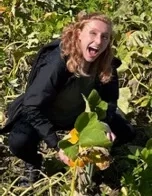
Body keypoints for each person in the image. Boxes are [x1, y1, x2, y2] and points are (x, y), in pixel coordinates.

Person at [2, 12, 135, 186]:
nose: (98, 41)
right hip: (45, 114)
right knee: (19, 142)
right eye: (93, 33)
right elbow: (32, 106)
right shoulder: (57, 61)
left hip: (79, 117)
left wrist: (103, 123)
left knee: (126, 133)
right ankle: (34, 162)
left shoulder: (106, 63)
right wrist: (57, 145)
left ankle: (93, 157)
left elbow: (110, 101)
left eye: (105, 37)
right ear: (79, 33)